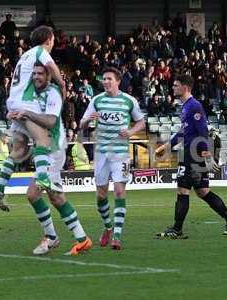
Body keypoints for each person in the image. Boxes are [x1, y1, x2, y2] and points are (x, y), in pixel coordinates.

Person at [18, 63, 91, 256]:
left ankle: (51, 237)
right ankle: (82, 239)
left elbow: (50, 121)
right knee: (57, 198)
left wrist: (27, 114)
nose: (36, 77)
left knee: (33, 193)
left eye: (40, 73)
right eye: (34, 73)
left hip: (54, 150)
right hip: (43, 150)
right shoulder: (32, 92)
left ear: (49, 76)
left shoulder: (53, 93)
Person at [154, 74, 227, 239]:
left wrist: (207, 154)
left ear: (185, 87)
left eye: (175, 85)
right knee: (202, 191)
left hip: (194, 154)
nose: (173, 88)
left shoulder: (194, 106)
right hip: (193, 153)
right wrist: (167, 146)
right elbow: (183, 132)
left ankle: (177, 229)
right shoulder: (186, 106)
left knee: (182, 190)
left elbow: (203, 131)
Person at [0, 25, 66, 205]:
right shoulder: (40, 51)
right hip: (25, 102)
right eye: (53, 39)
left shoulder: (25, 55)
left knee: (19, 150)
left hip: (13, 101)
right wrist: (62, 84)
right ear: (49, 39)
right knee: (42, 140)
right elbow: (52, 67)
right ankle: (42, 178)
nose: (53, 42)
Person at [80, 67, 145, 250]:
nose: (106, 82)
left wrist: (131, 131)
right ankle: (108, 226)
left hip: (120, 154)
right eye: (104, 79)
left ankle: (117, 235)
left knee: (118, 191)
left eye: (109, 79)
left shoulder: (129, 101)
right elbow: (81, 124)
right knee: (101, 194)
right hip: (101, 153)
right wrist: (88, 119)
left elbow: (141, 122)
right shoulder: (97, 100)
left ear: (117, 81)